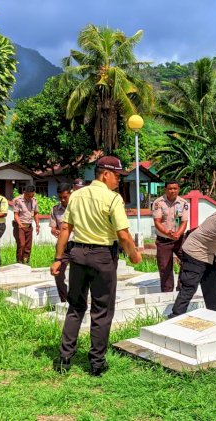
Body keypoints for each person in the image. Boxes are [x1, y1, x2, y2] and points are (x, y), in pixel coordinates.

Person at [51, 156, 142, 377]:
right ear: (105, 174)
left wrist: (57, 258)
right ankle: (96, 363)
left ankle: (64, 358)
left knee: (76, 306)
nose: (118, 181)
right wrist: (134, 254)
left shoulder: (76, 196)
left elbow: (65, 229)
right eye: (117, 176)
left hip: (78, 255)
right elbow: (122, 233)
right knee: (101, 310)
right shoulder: (113, 199)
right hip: (103, 256)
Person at [152, 180, 189, 292]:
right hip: (164, 241)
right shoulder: (158, 203)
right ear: (165, 189)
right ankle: (167, 292)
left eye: (175, 188)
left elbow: (184, 222)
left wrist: (178, 234)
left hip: (179, 239)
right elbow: (157, 222)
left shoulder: (183, 203)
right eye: (170, 188)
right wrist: (168, 233)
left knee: (188, 260)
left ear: (178, 189)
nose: (173, 191)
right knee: (165, 268)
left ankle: (181, 289)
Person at [50, 182, 72, 302]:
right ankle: (64, 300)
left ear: (70, 194)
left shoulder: (78, 208)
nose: (63, 200)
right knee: (58, 274)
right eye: (60, 198)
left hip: (77, 245)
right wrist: (55, 231)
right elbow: (53, 227)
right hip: (62, 247)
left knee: (77, 276)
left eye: (65, 197)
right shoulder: (55, 209)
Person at [13, 185, 40, 264]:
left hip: (29, 226)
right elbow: (16, 214)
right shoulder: (18, 200)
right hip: (19, 225)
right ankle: (19, 262)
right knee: (21, 245)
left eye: (32, 196)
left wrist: (37, 225)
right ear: (25, 192)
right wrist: (20, 224)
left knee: (28, 246)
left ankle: (26, 262)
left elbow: (36, 213)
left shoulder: (34, 200)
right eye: (28, 195)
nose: (30, 197)